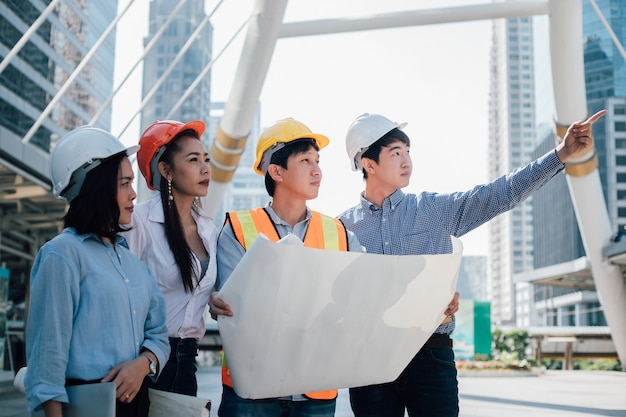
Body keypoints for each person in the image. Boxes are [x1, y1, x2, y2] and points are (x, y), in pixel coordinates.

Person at [338, 110, 607, 417]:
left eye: (408, 152)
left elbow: (500, 194)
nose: (406, 161)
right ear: (368, 163)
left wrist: (561, 154)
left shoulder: (434, 210)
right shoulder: (342, 229)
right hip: (370, 360)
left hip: (430, 354)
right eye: (395, 153)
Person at [208, 118, 363, 417]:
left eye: (317, 161)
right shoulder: (238, 229)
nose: (317, 169)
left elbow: (362, 295)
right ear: (276, 171)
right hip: (252, 389)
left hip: (315, 389)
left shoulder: (340, 233)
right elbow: (237, 307)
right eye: (305, 160)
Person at [24, 126, 170, 417]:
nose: (133, 193)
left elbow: (159, 335)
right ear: (97, 187)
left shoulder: (133, 264)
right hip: (84, 405)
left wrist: (143, 364)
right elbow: (47, 359)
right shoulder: (62, 255)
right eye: (124, 183)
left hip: (137, 406)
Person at [123, 120, 218, 396]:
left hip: (187, 364)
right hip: (143, 363)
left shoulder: (208, 228)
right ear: (166, 170)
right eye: (193, 160)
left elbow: (203, 287)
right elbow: (121, 293)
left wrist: (212, 297)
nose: (205, 168)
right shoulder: (139, 222)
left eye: (206, 159)